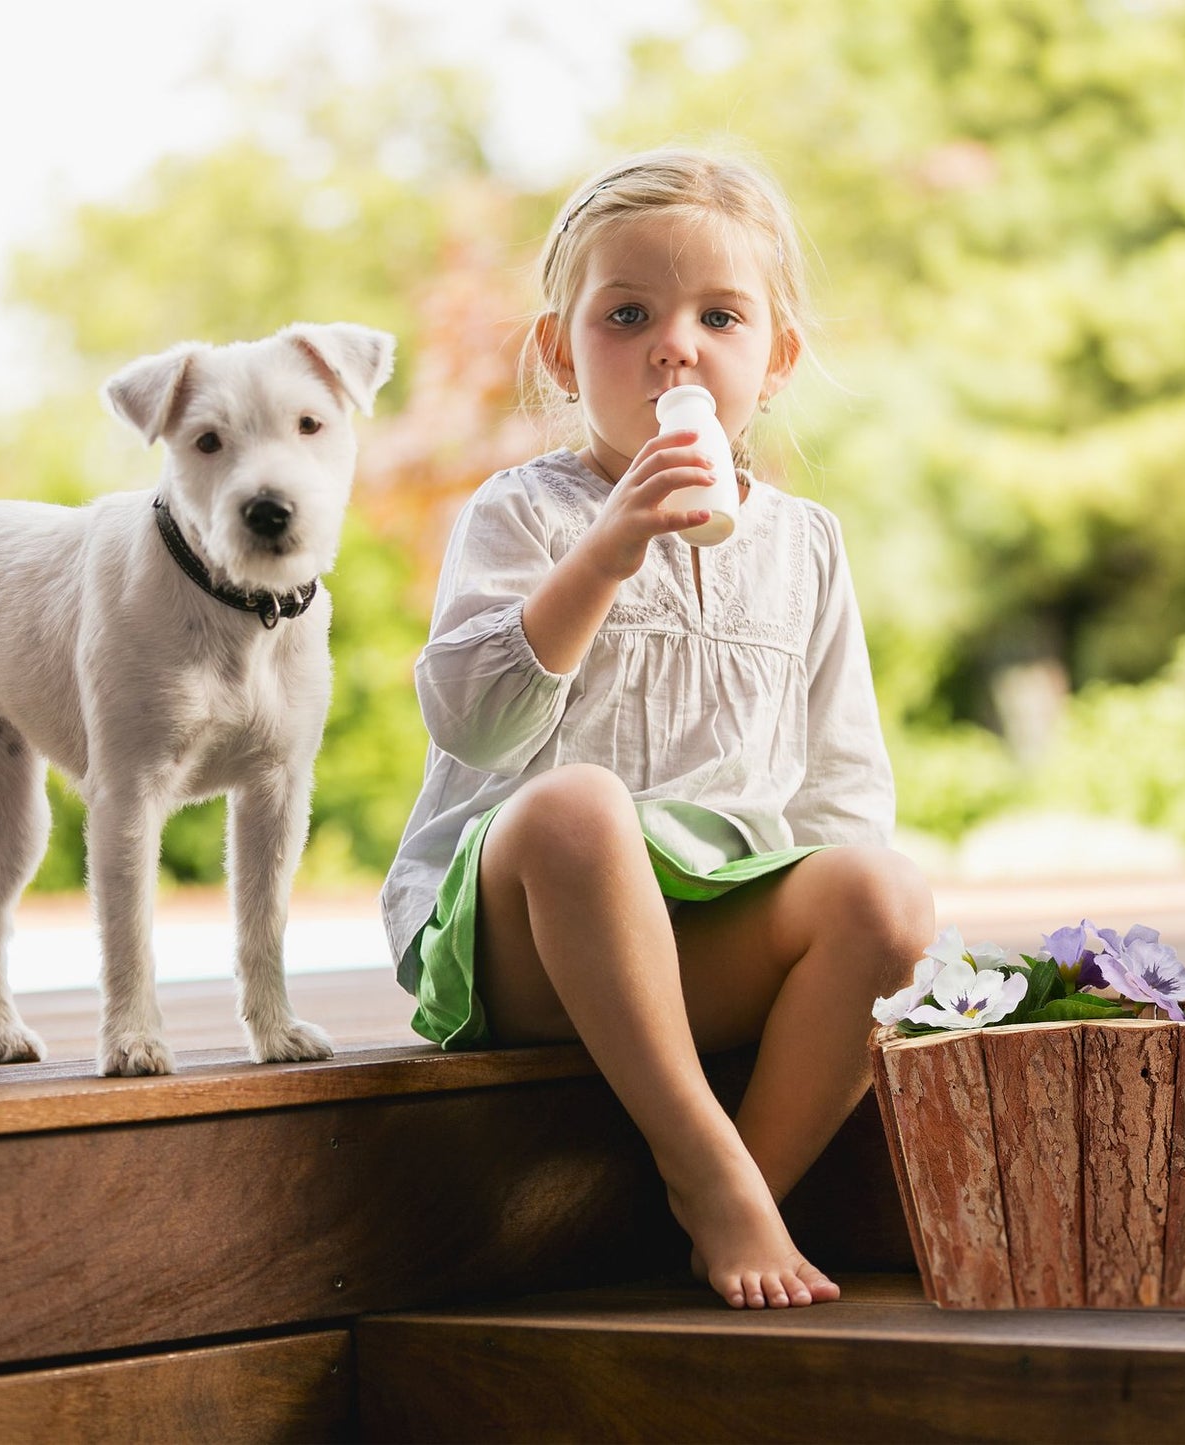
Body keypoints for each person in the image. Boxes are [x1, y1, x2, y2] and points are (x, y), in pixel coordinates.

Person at [381, 147, 936, 1310]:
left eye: (717, 316)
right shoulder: (525, 512)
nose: (672, 345)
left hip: (702, 937)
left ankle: (735, 1196)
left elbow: (839, 783)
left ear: (773, 359)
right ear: (558, 348)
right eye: (626, 313)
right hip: (530, 937)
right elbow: (473, 724)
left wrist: (853, 947)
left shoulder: (806, 544)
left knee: (884, 892)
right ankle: (706, 1163)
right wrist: (604, 552)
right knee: (581, 804)